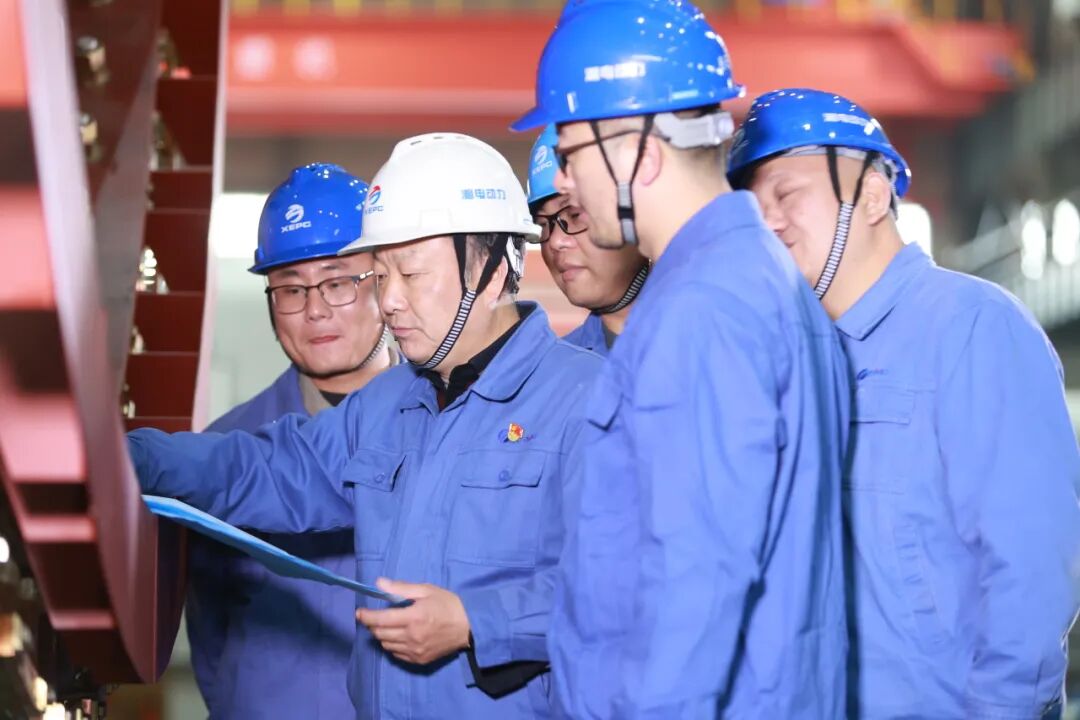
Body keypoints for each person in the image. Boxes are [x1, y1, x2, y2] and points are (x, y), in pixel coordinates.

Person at [129, 133, 602, 719]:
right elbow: (268, 468)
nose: (391, 301)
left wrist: (474, 622)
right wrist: (124, 456)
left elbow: (631, 589)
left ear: (490, 266)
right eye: (380, 276)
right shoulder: (390, 404)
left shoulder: (588, 400)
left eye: (411, 274)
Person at [512, 1, 852, 716]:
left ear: (636, 151)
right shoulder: (760, 279)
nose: (564, 181)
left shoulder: (700, 309)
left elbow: (687, 596)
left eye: (570, 154)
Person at [728, 87, 1080, 720]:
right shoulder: (788, 357)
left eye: (786, 194)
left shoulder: (974, 327)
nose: (769, 222)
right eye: (754, 206)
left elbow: (1032, 570)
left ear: (870, 194)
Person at [185, 162, 395, 719]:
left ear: (384, 278)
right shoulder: (230, 447)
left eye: (337, 281)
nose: (314, 310)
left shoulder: (446, 426)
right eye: (290, 288)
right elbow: (209, 632)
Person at [526, 123, 649, 353]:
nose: (555, 242)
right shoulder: (561, 366)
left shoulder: (709, 331)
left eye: (575, 215)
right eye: (543, 225)